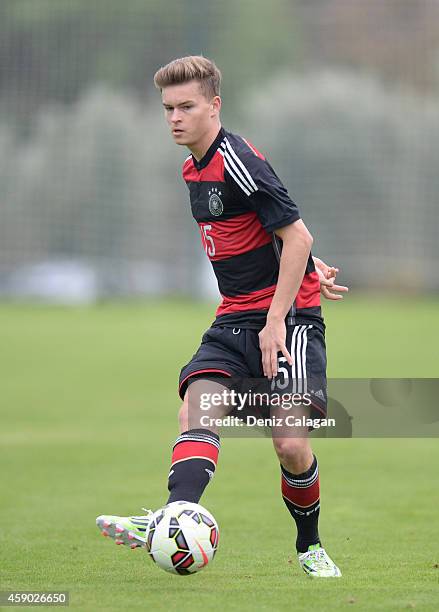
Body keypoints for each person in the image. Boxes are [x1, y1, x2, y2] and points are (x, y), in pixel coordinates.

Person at [96, 56, 348, 578]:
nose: (174, 117)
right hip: (234, 318)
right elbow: (274, 232)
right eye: (168, 108)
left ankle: (310, 546)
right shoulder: (193, 168)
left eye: (186, 106)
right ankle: (173, 514)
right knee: (196, 407)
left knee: (291, 444)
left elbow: (297, 234)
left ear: (215, 105)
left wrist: (279, 315)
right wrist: (302, 263)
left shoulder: (237, 158)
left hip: (290, 321)